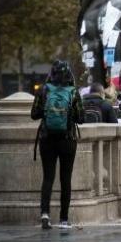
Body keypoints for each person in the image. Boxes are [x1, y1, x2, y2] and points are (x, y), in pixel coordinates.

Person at [31, 60, 84, 230]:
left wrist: (48, 113)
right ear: (69, 74)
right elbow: (81, 118)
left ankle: (45, 215)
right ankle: (63, 219)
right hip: (67, 140)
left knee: (48, 178)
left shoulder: (44, 90)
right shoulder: (73, 92)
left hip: (47, 139)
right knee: (65, 179)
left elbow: (34, 114)